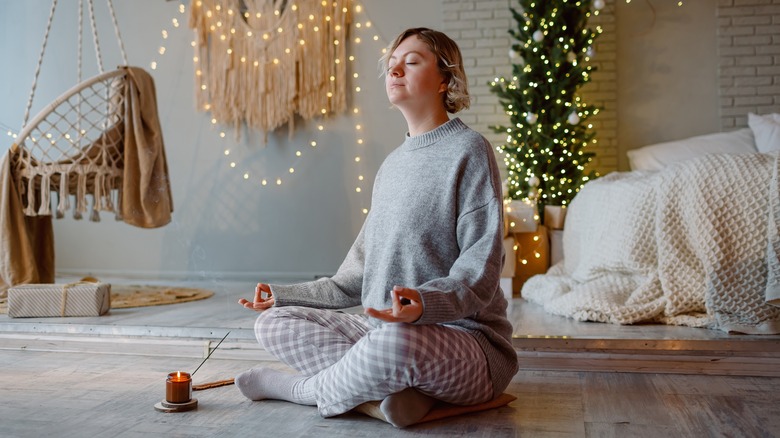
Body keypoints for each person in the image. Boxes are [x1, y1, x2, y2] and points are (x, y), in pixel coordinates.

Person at [236, 27, 518, 428]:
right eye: (392, 63)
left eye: (412, 61)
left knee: (394, 341)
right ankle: (401, 395)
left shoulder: (470, 150)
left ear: (445, 80)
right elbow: (352, 280)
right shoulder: (391, 167)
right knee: (273, 324)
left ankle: (302, 390)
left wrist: (424, 304)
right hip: (383, 332)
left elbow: (481, 271)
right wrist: (281, 297)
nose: (395, 70)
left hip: (468, 344)